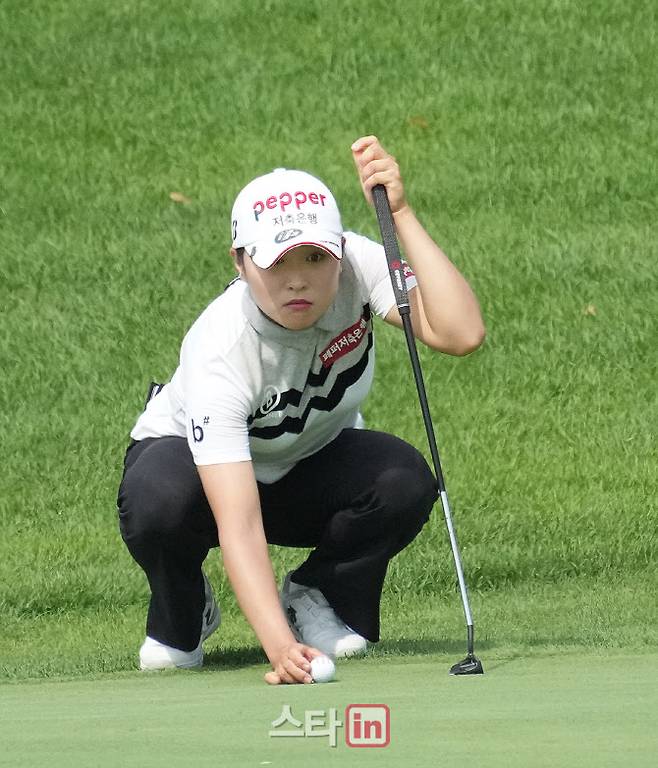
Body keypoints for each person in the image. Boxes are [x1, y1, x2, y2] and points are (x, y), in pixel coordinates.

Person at [116, 136, 485, 686]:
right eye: (277, 261)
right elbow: (239, 524)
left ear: (338, 250)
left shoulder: (359, 265)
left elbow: (461, 332)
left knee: (402, 480)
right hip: (196, 476)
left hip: (307, 463)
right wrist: (280, 649)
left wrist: (401, 214)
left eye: (315, 258)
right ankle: (184, 607)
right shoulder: (220, 349)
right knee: (158, 502)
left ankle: (317, 593)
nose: (298, 280)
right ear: (241, 262)